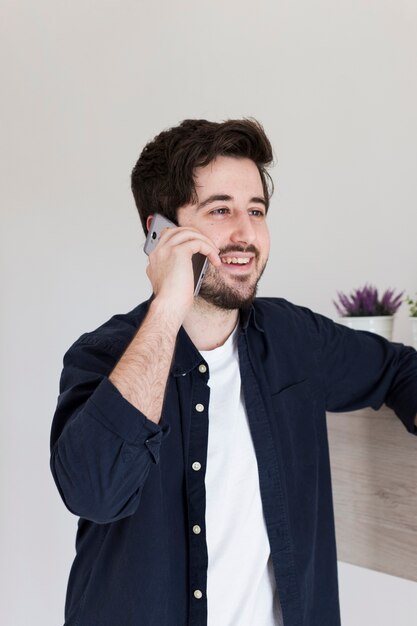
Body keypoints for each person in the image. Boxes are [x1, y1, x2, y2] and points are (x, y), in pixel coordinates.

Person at [50, 118, 417, 626]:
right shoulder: (103, 356)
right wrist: (169, 305)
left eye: (257, 211)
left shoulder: (294, 337)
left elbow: (398, 369)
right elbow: (95, 492)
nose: (247, 234)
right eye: (221, 210)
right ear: (161, 232)